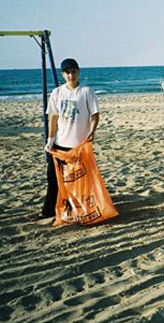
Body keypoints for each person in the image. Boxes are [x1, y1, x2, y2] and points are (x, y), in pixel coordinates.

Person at [39, 58, 100, 220]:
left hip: (79, 145)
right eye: (67, 72)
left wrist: (92, 131)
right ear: (63, 74)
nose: (70, 75)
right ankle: (48, 211)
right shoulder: (57, 93)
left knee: (81, 178)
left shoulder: (87, 91)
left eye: (73, 72)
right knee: (54, 178)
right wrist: (50, 139)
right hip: (60, 145)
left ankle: (81, 209)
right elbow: (53, 117)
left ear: (78, 71)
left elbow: (95, 115)